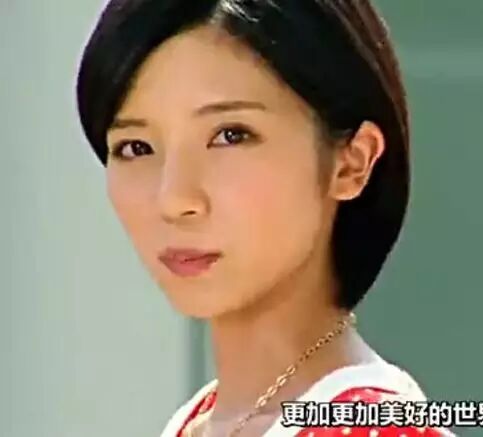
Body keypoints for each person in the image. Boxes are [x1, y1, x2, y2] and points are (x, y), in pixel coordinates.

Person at [76, 1, 455, 436]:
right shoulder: (198, 424)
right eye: (136, 147)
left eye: (231, 136)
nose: (174, 199)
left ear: (352, 162)